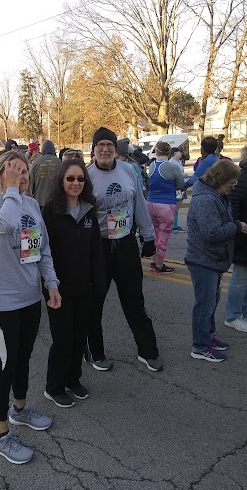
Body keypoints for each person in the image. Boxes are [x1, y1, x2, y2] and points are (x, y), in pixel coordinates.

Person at [0, 150, 61, 464]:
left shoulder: (30, 205)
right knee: (5, 366)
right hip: (0, 302)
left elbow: (41, 249)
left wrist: (50, 283)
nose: (21, 177)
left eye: (24, 171)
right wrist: (10, 188)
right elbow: (5, 224)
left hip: (29, 298)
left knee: (23, 358)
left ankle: (20, 409)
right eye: (13, 171)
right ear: (0, 174)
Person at [85, 127, 162, 372]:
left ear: (115, 148)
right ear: (94, 149)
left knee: (134, 301)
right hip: (99, 247)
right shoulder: (86, 177)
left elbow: (139, 202)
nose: (105, 149)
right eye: (100, 146)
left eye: (109, 145)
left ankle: (148, 351)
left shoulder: (129, 170)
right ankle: (95, 353)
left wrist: (149, 237)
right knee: (94, 304)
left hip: (126, 244)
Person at [42, 159, 105, 408]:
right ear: (61, 181)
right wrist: (49, 285)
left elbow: (96, 251)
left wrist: (98, 283)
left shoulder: (89, 209)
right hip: (58, 288)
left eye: (80, 179)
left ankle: (73, 379)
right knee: (63, 338)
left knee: (80, 336)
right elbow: (44, 252)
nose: (76, 183)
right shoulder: (50, 211)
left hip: (85, 287)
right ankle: (54, 386)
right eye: (70, 178)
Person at [185, 160, 247, 362]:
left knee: (211, 303)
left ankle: (209, 336)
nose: (233, 187)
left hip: (212, 260)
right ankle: (200, 346)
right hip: (203, 260)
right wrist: (236, 226)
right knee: (204, 305)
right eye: (231, 183)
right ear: (221, 180)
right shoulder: (206, 200)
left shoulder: (217, 196)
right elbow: (212, 233)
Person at [224, 140, 247, 332]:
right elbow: (232, 208)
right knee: (241, 279)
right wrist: (237, 228)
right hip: (245, 237)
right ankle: (233, 315)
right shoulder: (241, 178)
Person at [147, 142, 185, 274]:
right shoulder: (171, 166)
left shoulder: (151, 165)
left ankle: (153, 261)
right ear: (169, 152)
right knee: (163, 236)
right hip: (166, 204)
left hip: (150, 203)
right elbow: (181, 184)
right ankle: (159, 264)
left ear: (156, 151)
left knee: (154, 233)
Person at [30, 140, 62, 209]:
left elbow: (31, 184)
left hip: (39, 202)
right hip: (55, 201)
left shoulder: (36, 162)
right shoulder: (59, 162)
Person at [169, 147, 187, 233]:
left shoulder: (177, 162)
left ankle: (174, 224)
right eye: (180, 152)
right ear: (175, 153)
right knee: (175, 207)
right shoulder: (172, 162)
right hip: (177, 188)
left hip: (179, 187)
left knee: (177, 207)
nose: (181, 153)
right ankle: (173, 225)